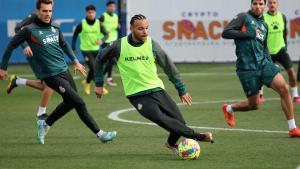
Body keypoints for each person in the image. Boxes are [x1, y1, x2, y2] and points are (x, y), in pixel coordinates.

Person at [0, 0, 116, 144]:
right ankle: (100, 134)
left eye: (50, 11)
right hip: (50, 75)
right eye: (44, 11)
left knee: (70, 102)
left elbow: (64, 44)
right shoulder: (29, 30)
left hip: (64, 70)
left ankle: (45, 123)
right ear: (38, 12)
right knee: (79, 102)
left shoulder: (55, 26)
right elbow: (10, 47)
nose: (47, 14)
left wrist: (76, 61)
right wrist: (3, 68)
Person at [94, 14, 213, 154]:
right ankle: (198, 136)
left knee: (180, 124)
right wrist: (99, 84)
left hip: (157, 90)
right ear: (131, 28)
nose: (145, 31)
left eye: (146, 28)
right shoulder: (119, 45)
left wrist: (181, 89)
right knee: (159, 117)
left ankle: (170, 143)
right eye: (140, 29)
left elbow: (169, 67)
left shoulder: (153, 45)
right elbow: (100, 59)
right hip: (136, 94)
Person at [221, 0, 300, 137]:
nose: (258, 6)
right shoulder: (243, 17)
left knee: (284, 89)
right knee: (254, 105)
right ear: (251, 5)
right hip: (246, 68)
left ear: (264, 6)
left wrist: (270, 62)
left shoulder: (264, 25)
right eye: (255, 3)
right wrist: (245, 34)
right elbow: (226, 33)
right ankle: (229, 109)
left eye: (260, 4)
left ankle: (293, 128)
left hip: (263, 64)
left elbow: (264, 48)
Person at [7, 2, 54, 119]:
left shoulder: (48, 17)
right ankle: (41, 113)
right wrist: (25, 45)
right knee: (51, 85)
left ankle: (17, 81)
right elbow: (17, 28)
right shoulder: (33, 17)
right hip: (34, 54)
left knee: (47, 86)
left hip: (44, 55)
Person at [259, 0, 300, 103]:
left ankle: (295, 95)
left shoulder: (282, 16)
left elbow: (284, 32)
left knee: (291, 71)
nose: (272, 5)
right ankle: (260, 95)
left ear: (277, 4)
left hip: (280, 50)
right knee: (262, 73)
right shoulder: (263, 18)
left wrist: (284, 46)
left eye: (274, 2)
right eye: (270, 3)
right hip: (267, 51)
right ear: (267, 5)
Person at [72, 4, 109, 95]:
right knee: (93, 68)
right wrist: (73, 47)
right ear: (86, 13)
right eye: (89, 12)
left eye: (93, 12)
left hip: (96, 49)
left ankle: (87, 82)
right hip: (85, 50)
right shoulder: (82, 24)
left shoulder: (99, 24)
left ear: (95, 13)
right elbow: (75, 35)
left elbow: (106, 34)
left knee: (98, 68)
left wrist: (102, 40)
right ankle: (100, 87)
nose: (91, 14)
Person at [98, 0, 120, 87]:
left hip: (114, 41)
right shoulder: (103, 16)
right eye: (111, 6)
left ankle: (106, 78)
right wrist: (102, 39)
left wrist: (118, 27)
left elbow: (116, 27)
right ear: (107, 7)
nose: (112, 8)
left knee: (111, 60)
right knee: (112, 60)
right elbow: (97, 26)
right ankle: (106, 78)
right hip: (106, 41)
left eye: (114, 6)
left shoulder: (116, 16)